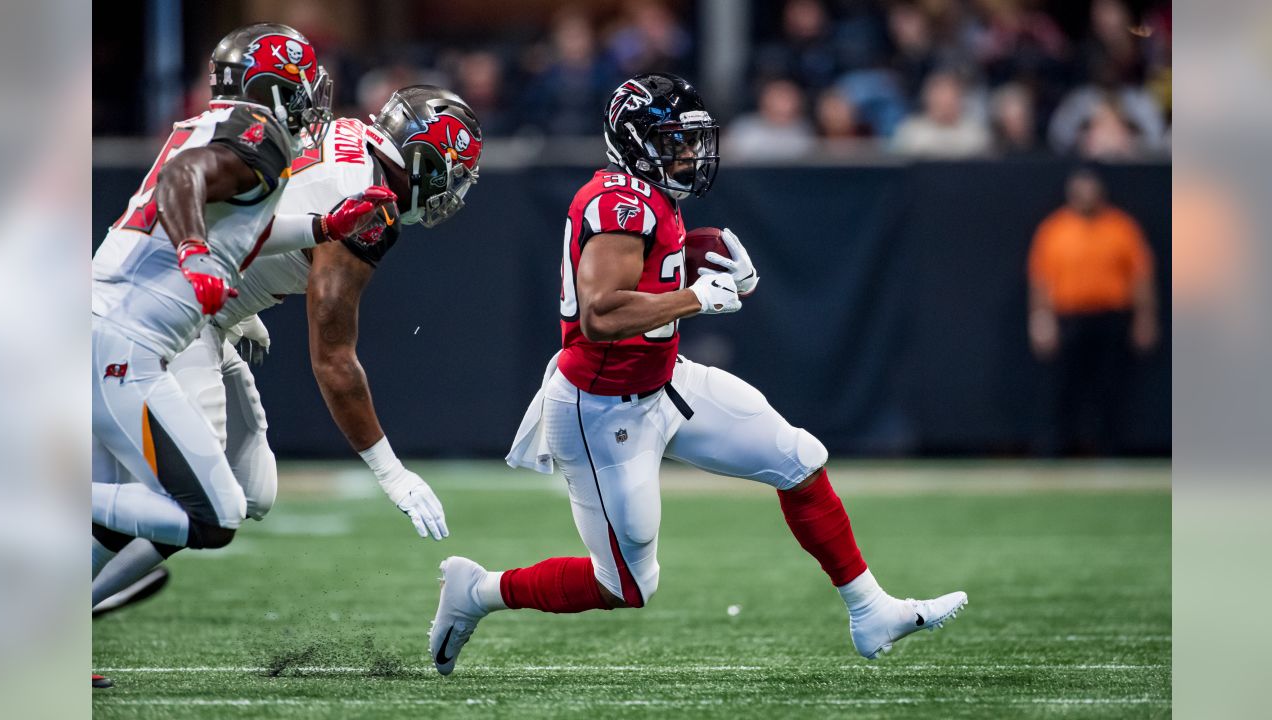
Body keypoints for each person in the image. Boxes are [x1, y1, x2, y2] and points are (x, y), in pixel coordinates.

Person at [427, 73, 967, 675]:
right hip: (601, 410)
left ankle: (870, 610)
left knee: (798, 458)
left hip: (663, 382)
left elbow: (657, 273)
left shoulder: (651, 198)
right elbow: (601, 315)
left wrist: (726, 275)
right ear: (637, 142)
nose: (689, 153)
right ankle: (477, 592)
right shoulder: (619, 203)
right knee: (627, 584)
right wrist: (696, 298)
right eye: (675, 141)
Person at [91, 87, 481, 616]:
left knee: (254, 493)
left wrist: (243, 293)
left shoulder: (350, 141)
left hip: (202, 307)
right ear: (425, 156)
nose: (452, 191)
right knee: (201, 503)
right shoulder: (369, 204)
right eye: (453, 174)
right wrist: (393, 472)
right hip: (181, 320)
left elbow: (265, 214)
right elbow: (334, 359)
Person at [90, 23, 393, 686]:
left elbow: (243, 222)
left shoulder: (225, 127)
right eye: (304, 86)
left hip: (104, 324)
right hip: (122, 341)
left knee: (122, 515)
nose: (314, 99)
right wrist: (195, 254)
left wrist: (323, 225)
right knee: (211, 514)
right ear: (274, 88)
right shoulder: (259, 135)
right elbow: (183, 180)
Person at [1028, 169, 1158, 455]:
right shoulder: (1054, 229)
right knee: (1061, 388)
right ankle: (1054, 449)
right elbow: (1040, 279)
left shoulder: (1121, 227)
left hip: (1111, 317)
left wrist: (1145, 318)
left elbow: (1141, 276)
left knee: (1110, 387)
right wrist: (1041, 319)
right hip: (1069, 317)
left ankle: (1110, 449)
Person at [891, 70, 990, 157]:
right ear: (928, 99)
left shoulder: (975, 134)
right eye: (939, 97)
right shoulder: (911, 131)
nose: (945, 103)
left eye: (951, 97)